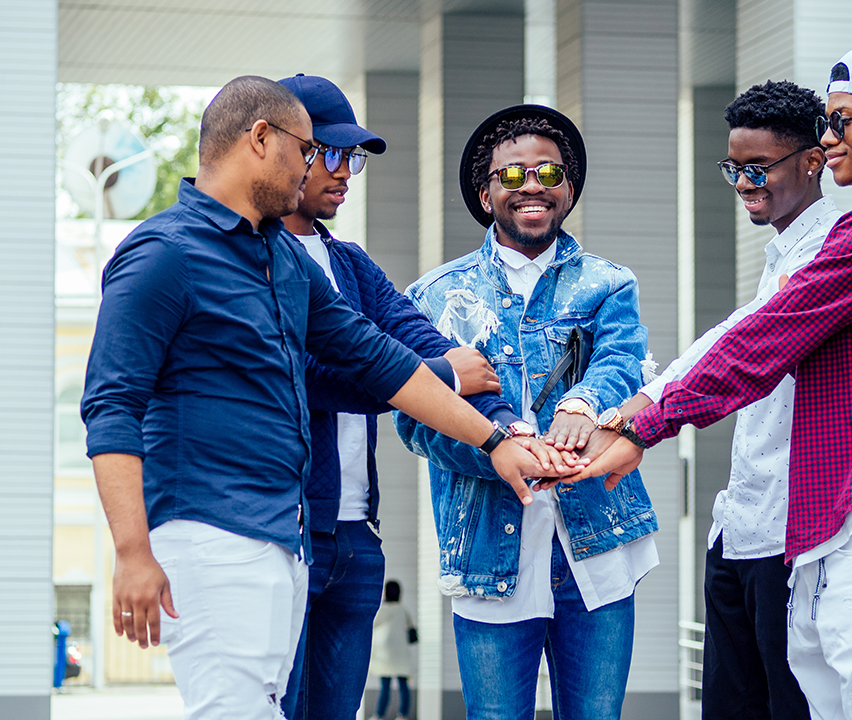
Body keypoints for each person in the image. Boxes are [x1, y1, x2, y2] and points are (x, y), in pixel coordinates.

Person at [80, 76, 571, 720]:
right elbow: (112, 406)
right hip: (207, 532)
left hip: (285, 542)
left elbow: (379, 358)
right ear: (262, 139)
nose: (318, 167)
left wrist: (497, 439)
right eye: (309, 149)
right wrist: (133, 551)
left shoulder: (283, 259)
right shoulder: (162, 253)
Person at [570, 42, 852, 720]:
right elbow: (754, 332)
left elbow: (764, 339)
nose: (828, 135)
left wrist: (647, 421)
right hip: (834, 531)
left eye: (843, 121)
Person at [395, 104, 659, 720]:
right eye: (512, 176)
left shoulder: (610, 283)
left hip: (598, 543)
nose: (532, 185)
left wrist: (582, 403)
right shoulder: (434, 297)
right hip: (488, 547)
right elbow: (415, 419)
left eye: (549, 172)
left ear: (568, 189)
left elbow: (622, 357)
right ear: (486, 194)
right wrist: (502, 453)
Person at [274, 74, 525, 720]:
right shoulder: (260, 261)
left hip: (358, 539)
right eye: (332, 153)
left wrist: (502, 427)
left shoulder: (351, 263)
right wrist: (434, 378)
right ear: (288, 150)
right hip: (291, 529)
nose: (345, 172)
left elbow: (429, 342)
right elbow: (316, 377)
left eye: (352, 158)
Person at [603, 79, 833, 719]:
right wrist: (637, 402)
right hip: (742, 528)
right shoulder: (783, 249)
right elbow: (730, 335)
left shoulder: (833, 248)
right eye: (733, 167)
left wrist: (643, 417)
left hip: (795, 532)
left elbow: (743, 349)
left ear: (813, 160)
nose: (742, 183)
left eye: (758, 168)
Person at [369, 580, 414, 720]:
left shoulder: (382, 610)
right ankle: (402, 715)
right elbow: (411, 628)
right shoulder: (403, 610)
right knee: (403, 685)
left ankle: (379, 715)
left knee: (385, 686)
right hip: (401, 654)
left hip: (385, 654)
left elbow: (372, 623)